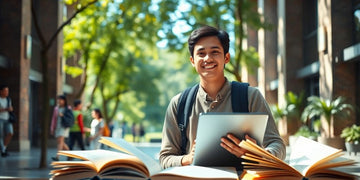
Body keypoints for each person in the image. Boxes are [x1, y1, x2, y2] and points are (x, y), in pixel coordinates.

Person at [159, 25, 286, 169]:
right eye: (201, 53)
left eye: (214, 52)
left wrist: (259, 154)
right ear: (192, 61)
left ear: (226, 57)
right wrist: (187, 159)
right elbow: (165, 158)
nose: (208, 58)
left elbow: (277, 144)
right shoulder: (179, 104)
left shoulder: (251, 96)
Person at [50, 95, 71, 161]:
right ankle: (70, 154)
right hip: (57, 127)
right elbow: (54, 119)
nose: (59, 101)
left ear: (64, 100)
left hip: (64, 127)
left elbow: (70, 117)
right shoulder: (56, 109)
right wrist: (52, 128)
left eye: (60, 99)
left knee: (60, 142)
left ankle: (57, 156)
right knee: (60, 142)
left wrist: (63, 115)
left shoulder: (68, 108)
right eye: (58, 99)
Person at [0, 85, 14, 157]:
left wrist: (10, 109)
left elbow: (10, 108)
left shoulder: (8, 99)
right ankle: (3, 151)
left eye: (7, 91)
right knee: (1, 135)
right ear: (1, 91)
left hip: (7, 118)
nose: (7, 92)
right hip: (0, 119)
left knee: (10, 133)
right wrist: (6, 109)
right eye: (5, 91)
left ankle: (4, 148)